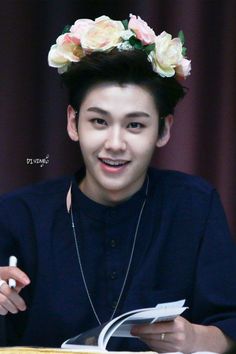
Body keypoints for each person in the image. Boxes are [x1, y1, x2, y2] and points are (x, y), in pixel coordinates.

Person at [0, 14, 236, 353]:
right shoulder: (17, 214)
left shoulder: (194, 205)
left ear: (164, 130)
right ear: (73, 122)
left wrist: (195, 337)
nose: (114, 143)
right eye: (99, 121)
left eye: (135, 126)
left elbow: (229, 322)